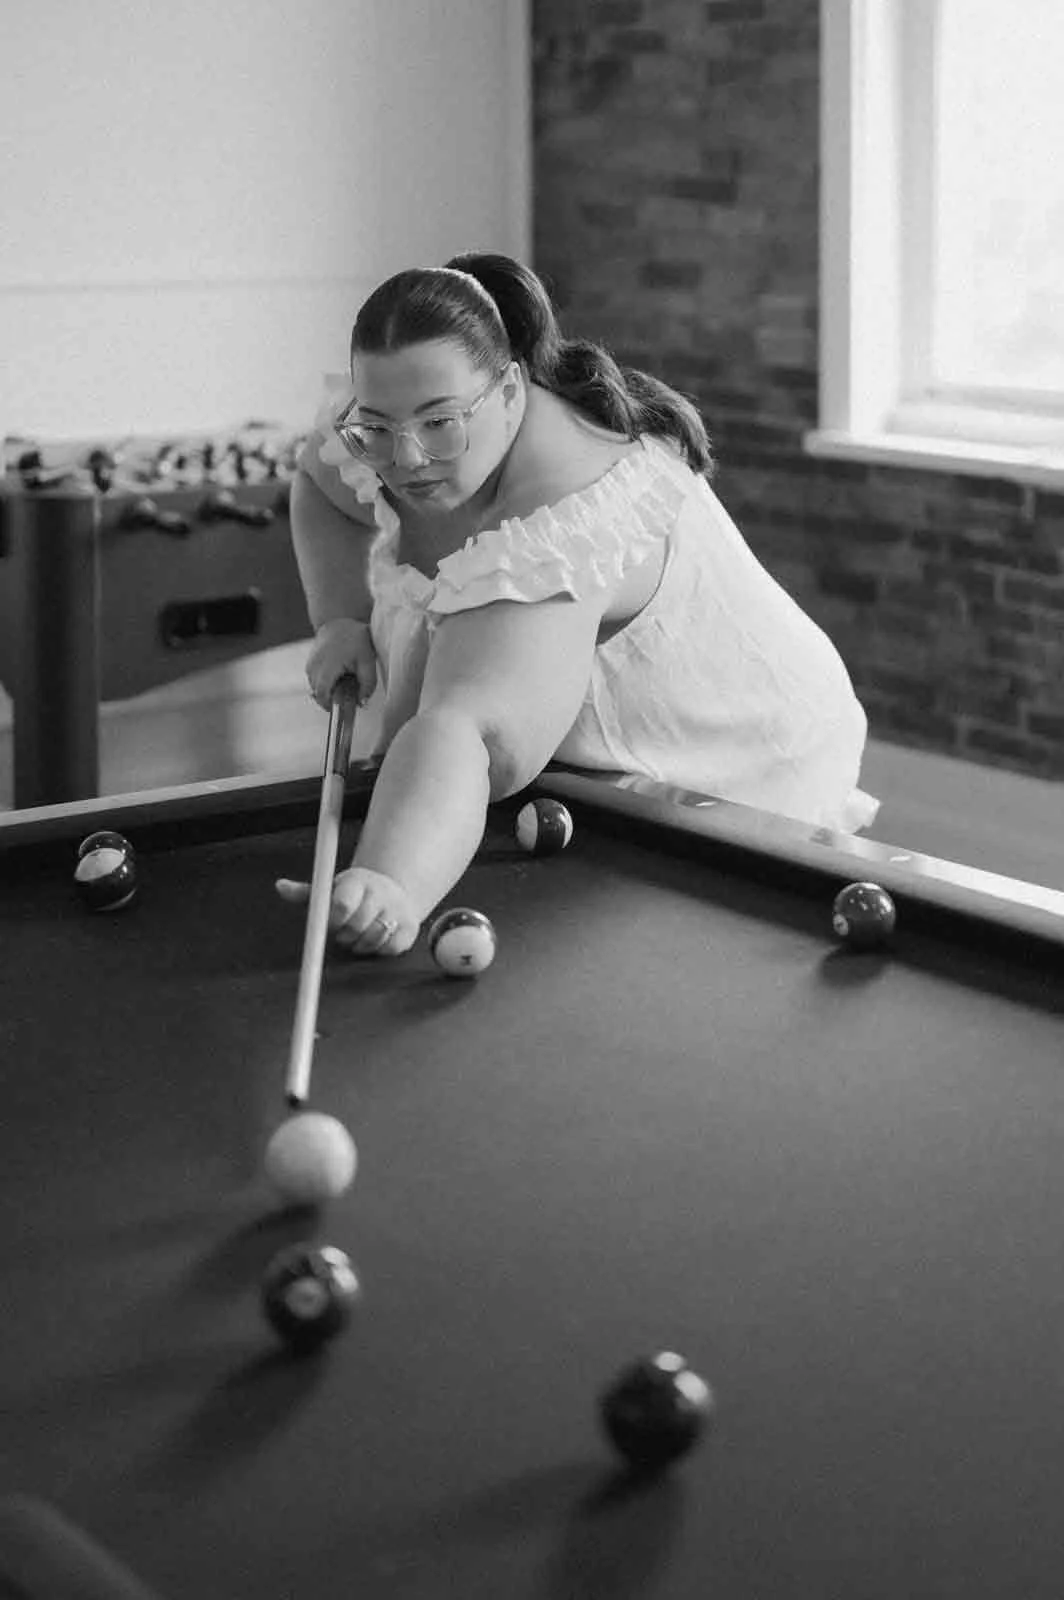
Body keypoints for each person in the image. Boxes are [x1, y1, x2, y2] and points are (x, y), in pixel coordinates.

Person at [276, 252, 878, 956]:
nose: (406, 458)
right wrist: (340, 617)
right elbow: (320, 485)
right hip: (600, 754)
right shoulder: (386, 425)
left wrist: (390, 885)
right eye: (378, 427)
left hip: (746, 758)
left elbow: (468, 730)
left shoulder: (560, 513)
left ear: (509, 390)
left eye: (439, 423)